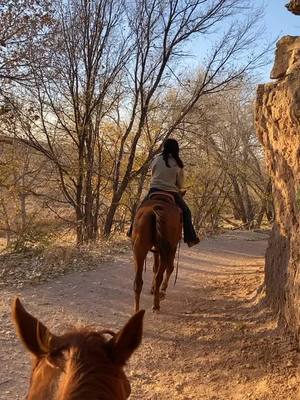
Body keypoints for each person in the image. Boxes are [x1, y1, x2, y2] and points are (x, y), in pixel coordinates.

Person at [128, 138, 200, 248]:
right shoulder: (178, 163)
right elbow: (180, 184)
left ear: (164, 147)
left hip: (154, 190)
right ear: (176, 149)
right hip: (171, 192)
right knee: (186, 212)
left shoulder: (156, 159)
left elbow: (153, 174)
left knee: (140, 208)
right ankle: (190, 238)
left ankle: (131, 231)